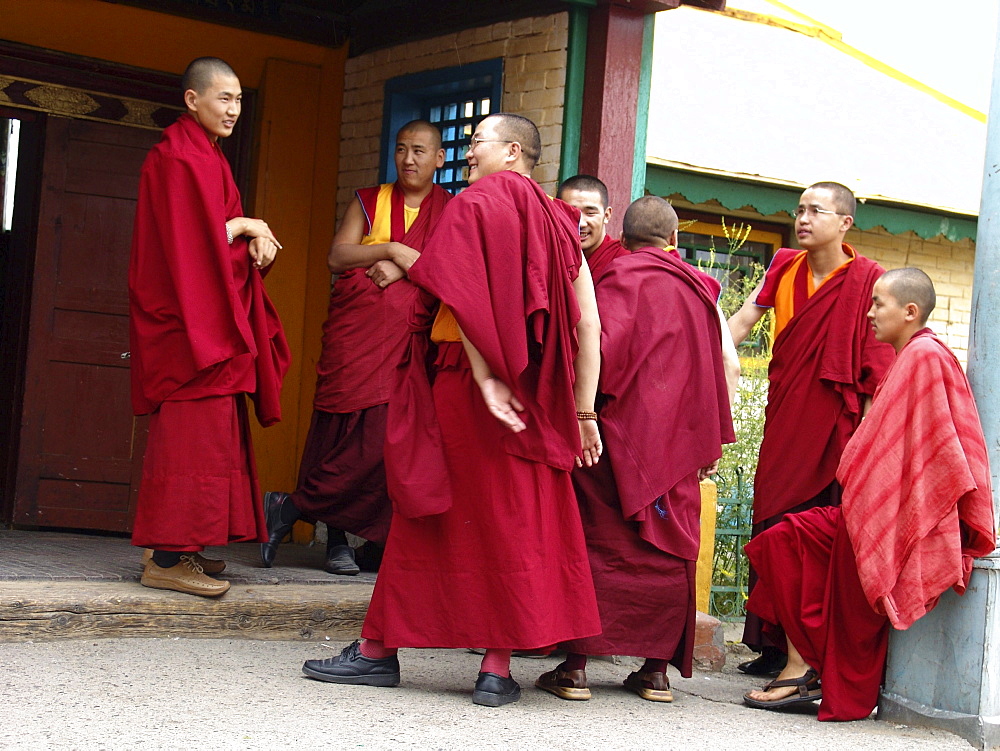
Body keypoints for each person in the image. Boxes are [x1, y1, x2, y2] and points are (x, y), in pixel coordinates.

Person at [299, 113, 604, 707]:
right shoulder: (560, 222)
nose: (469, 152)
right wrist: (584, 413)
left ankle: (377, 651)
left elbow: (461, 298)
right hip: (537, 397)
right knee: (512, 522)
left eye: (479, 142)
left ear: (512, 151)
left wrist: (488, 378)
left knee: (428, 511)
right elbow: (588, 321)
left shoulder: (480, 201)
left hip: (470, 387)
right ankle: (495, 669)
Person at [742, 268, 995, 721]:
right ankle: (805, 666)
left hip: (891, 517)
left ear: (910, 311)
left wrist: (883, 504)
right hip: (871, 510)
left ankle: (805, 670)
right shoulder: (911, 357)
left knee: (785, 540)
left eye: (880, 304)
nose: (870, 313)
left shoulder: (924, 357)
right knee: (782, 541)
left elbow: (937, 453)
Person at [535, 195, 738, 703]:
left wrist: (582, 415)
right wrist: (712, 435)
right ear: (674, 241)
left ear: (622, 239)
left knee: (597, 542)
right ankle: (654, 674)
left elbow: (598, 348)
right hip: (679, 442)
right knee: (669, 551)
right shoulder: (702, 289)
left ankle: (577, 669)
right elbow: (724, 367)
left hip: (617, 436)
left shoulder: (616, 279)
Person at [129, 57, 289, 597]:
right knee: (190, 439)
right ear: (192, 100)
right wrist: (248, 225)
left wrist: (253, 234)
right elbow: (189, 246)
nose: (233, 110)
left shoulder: (206, 155)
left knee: (210, 439)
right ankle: (167, 559)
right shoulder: (176, 158)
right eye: (223, 98)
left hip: (210, 320)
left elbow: (214, 238)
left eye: (240, 100)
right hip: (188, 327)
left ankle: (183, 547)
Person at [260, 121, 450, 575]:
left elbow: (452, 267)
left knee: (384, 445)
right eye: (402, 149)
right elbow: (337, 256)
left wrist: (407, 268)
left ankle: (290, 507)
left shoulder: (450, 209)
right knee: (338, 436)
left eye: (420, 151)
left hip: (407, 345)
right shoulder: (370, 201)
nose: (409, 159)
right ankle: (337, 544)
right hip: (355, 339)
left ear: (440, 159)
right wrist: (390, 250)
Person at [727, 181, 895, 674]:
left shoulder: (869, 281)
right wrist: (705, 354)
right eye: (799, 210)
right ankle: (773, 645)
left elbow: (873, 370)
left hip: (834, 430)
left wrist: (862, 445)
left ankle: (810, 651)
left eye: (815, 211)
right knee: (774, 521)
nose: (802, 219)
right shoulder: (783, 265)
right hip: (786, 418)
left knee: (814, 532)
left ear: (845, 223)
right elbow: (741, 323)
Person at [556, 174, 629, 279]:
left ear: (607, 215)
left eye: (590, 213)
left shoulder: (621, 259)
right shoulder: (552, 257)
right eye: (571, 213)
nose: (581, 223)